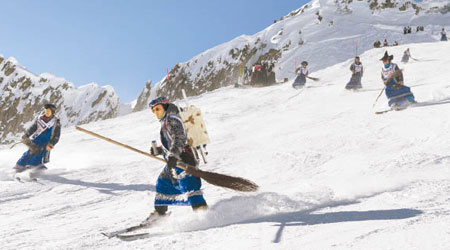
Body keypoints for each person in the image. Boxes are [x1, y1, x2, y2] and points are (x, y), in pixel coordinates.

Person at [147, 97, 207, 219]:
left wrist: (173, 155)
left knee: (189, 187)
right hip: (175, 161)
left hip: (184, 160)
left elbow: (180, 138)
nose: (155, 113)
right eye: (153, 110)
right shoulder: (166, 121)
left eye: (157, 109)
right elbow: (171, 143)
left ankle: (203, 214)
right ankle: (159, 213)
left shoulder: (172, 119)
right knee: (162, 183)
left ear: (165, 107)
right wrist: (158, 150)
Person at [13, 103, 61, 178]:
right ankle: (19, 166)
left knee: (39, 154)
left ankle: (35, 169)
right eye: (46, 111)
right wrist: (26, 135)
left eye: (48, 111)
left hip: (46, 143)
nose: (47, 112)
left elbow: (56, 136)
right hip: (36, 140)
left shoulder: (55, 123)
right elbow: (33, 128)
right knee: (29, 152)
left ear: (52, 112)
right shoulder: (40, 119)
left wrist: (51, 144)